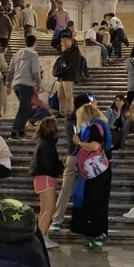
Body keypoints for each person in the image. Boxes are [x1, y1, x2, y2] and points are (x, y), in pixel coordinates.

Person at [70, 101, 113, 251]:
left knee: (95, 203)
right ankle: (99, 234)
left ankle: (97, 234)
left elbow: (95, 146)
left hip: (97, 171)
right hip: (102, 169)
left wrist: (79, 142)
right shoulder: (101, 125)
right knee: (100, 203)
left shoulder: (95, 126)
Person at [51, 93, 92, 233]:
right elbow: (76, 139)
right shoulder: (75, 120)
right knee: (68, 188)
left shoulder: (71, 119)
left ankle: (59, 219)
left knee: (67, 189)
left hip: (76, 156)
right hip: (79, 156)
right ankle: (57, 219)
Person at [29, 117, 63, 250]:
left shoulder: (43, 143)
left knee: (44, 209)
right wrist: (60, 168)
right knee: (49, 209)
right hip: (46, 178)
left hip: (41, 178)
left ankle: (42, 234)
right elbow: (49, 165)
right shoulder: (47, 145)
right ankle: (41, 238)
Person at [6, 35, 42, 139]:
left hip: (17, 84)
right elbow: (35, 72)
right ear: (35, 43)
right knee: (24, 109)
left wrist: (8, 84)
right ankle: (14, 132)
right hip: (27, 85)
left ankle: (21, 131)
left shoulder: (17, 54)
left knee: (26, 108)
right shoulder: (33, 55)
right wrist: (39, 84)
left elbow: (10, 70)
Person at [52, 35, 82, 117]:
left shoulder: (75, 51)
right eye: (62, 41)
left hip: (69, 76)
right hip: (61, 76)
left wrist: (64, 52)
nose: (63, 43)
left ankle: (70, 112)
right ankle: (62, 112)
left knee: (68, 95)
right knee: (60, 96)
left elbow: (69, 59)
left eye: (65, 41)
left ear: (70, 41)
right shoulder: (63, 51)